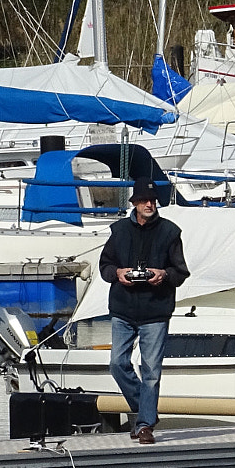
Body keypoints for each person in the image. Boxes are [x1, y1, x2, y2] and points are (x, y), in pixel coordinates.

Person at [96, 184, 189, 444]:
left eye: (152, 200)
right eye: (143, 200)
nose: (149, 204)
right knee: (117, 365)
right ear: (134, 203)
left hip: (156, 311)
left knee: (151, 371)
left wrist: (164, 274)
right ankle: (147, 411)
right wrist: (118, 274)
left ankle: (145, 425)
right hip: (123, 308)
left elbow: (180, 272)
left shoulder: (170, 232)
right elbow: (105, 266)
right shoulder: (119, 231)